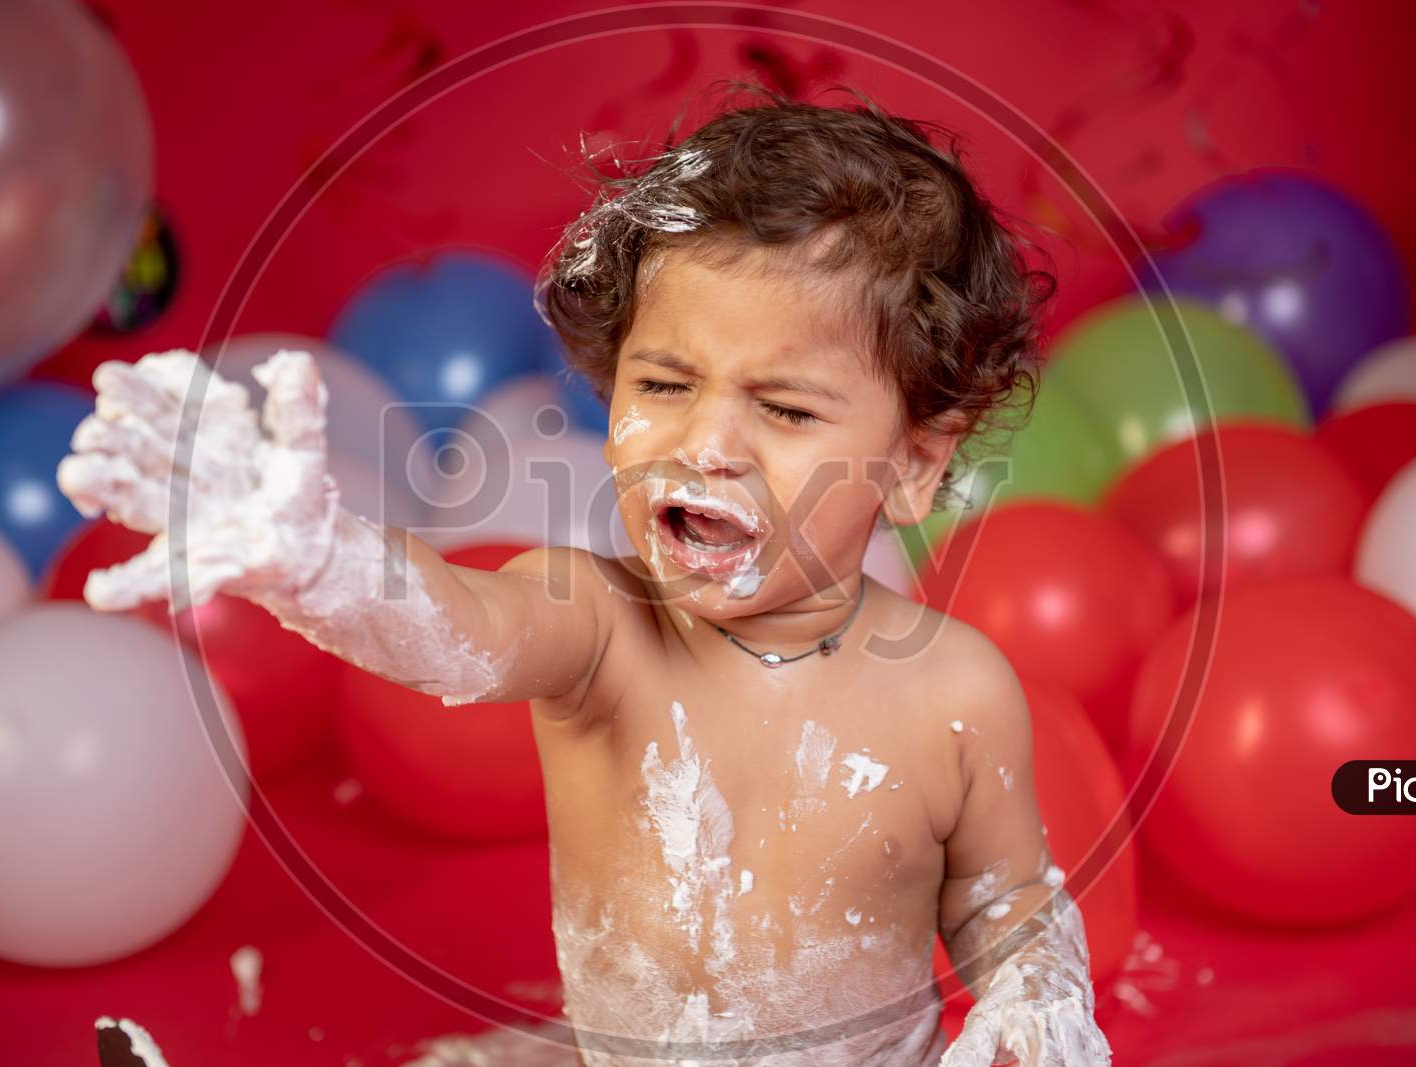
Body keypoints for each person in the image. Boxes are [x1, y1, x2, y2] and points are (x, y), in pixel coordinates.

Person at [57, 81, 1111, 1066]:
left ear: (915, 463)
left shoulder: (954, 689)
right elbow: (448, 623)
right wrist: (319, 559)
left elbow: (1005, 903)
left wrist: (1033, 1000)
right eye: (663, 382)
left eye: (785, 409)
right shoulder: (599, 623)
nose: (707, 443)